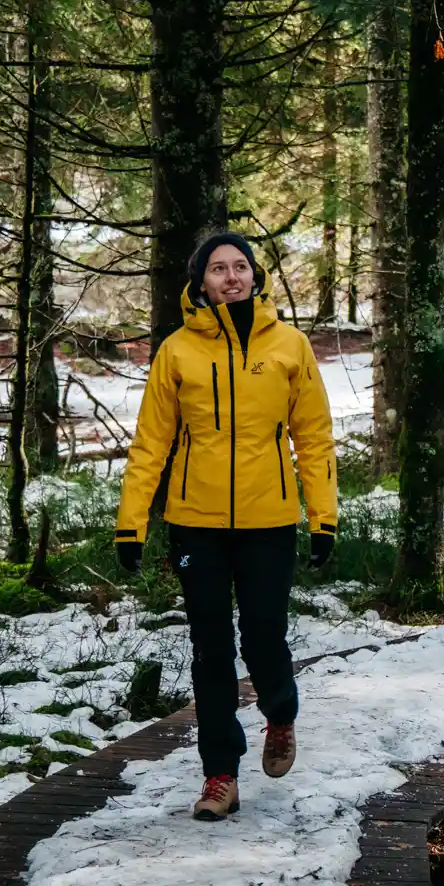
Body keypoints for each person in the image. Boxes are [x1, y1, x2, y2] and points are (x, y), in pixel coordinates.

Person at [114, 230, 337, 821]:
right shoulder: (177, 351)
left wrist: (323, 517)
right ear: (200, 282)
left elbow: (312, 439)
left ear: (255, 277)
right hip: (196, 523)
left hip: (269, 522)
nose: (231, 276)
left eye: (241, 266)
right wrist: (131, 523)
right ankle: (220, 776)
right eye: (218, 268)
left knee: (264, 634)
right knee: (211, 649)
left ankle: (280, 713)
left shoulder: (289, 346)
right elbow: (151, 443)